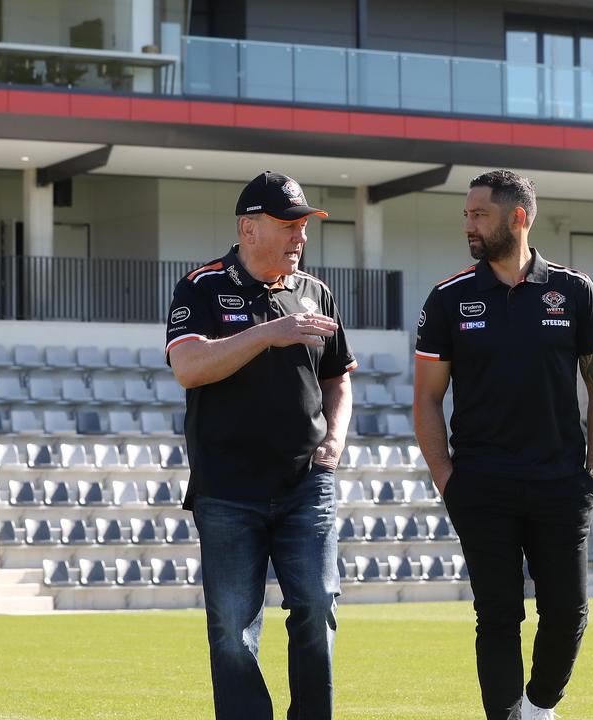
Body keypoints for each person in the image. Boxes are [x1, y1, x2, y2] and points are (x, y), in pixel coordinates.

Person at [412, 169, 593, 720]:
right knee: (498, 616)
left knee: (567, 611)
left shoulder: (575, 292)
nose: (468, 226)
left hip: (559, 485)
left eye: (479, 215)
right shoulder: (448, 299)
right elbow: (427, 399)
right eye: (466, 215)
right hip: (481, 486)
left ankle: (540, 706)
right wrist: (448, 480)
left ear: (518, 217)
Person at [166, 171, 357, 720]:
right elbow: (188, 366)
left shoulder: (315, 292)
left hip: (306, 485)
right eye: (290, 226)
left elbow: (338, 378)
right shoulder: (200, 287)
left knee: (318, 607)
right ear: (249, 229)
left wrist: (336, 439)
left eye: (305, 227)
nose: (301, 237)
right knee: (231, 626)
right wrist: (267, 334)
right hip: (227, 490)